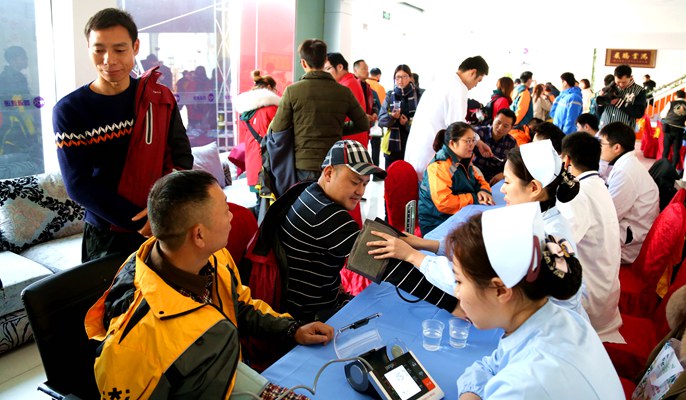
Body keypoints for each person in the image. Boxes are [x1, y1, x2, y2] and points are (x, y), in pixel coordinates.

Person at [85, 170, 334, 399]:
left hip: (223, 373)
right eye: (225, 210)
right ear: (199, 235)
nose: (232, 215)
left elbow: (240, 306)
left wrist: (292, 330)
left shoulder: (212, 258)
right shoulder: (135, 340)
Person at [53, 8, 193, 263]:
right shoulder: (70, 110)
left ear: (135, 47)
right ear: (88, 48)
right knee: (110, 291)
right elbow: (78, 184)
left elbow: (181, 157)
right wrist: (139, 221)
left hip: (162, 222)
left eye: (119, 49)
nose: (109, 60)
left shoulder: (158, 98)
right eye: (99, 50)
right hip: (106, 232)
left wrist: (162, 211)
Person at [454, 203, 623, 399]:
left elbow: (511, 380)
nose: (456, 293)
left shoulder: (526, 385)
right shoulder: (560, 318)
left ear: (500, 290)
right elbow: (492, 365)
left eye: (459, 281)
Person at [280, 140, 459, 322]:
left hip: (306, 299)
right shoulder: (327, 215)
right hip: (311, 317)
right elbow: (390, 267)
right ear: (329, 173)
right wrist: (453, 304)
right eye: (355, 182)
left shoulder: (308, 191)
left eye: (365, 184)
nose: (360, 192)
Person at [500, 139, 589, 320]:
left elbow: (566, 300)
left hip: (554, 326)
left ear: (534, 188)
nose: (502, 189)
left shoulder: (551, 236)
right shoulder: (538, 218)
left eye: (507, 182)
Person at [270, 40, 368, 181]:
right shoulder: (343, 92)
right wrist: (338, 129)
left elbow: (278, 128)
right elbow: (363, 123)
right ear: (325, 60)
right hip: (333, 162)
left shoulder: (292, 91)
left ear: (303, 63)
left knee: (306, 196)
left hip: (303, 164)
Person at [558, 132, 623, 343]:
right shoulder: (597, 185)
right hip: (605, 291)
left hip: (590, 300)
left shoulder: (579, 193)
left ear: (566, 160)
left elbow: (558, 246)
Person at [405, 55, 491, 178]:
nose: (476, 85)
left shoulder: (442, 81)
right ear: (473, 72)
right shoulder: (459, 88)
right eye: (479, 80)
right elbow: (458, 128)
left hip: (416, 151)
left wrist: (478, 141)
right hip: (431, 155)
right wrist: (475, 144)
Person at [599, 122, 659, 264]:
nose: (599, 148)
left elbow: (609, 216)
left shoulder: (625, 172)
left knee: (579, 245)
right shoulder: (626, 164)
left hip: (628, 247)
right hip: (630, 231)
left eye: (601, 144)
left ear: (617, 148)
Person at [418, 122, 493, 235]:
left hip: (458, 214)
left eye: (473, 140)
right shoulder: (439, 167)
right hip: (438, 222)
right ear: (452, 143)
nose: (472, 145)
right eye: (468, 141)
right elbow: (444, 202)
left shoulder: (463, 160)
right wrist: (474, 197)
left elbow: (479, 180)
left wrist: (483, 191)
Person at [233, 70, 280, 193]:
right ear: (269, 87)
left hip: (253, 165)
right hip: (269, 165)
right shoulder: (273, 109)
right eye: (275, 89)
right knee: (273, 201)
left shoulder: (244, 112)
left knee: (259, 200)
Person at [0, 45, 42, 173]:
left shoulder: (10, 76)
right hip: (15, 121)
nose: (26, 60)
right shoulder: (12, 78)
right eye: (23, 57)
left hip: (15, 118)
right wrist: (34, 103)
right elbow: (16, 102)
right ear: (13, 60)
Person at [378, 64, 422, 167]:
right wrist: (392, 117)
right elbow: (381, 120)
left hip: (413, 145)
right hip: (392, 146)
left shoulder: (419, 95)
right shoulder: (390, 95)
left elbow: (423, 122)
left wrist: (406, 124)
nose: (400, 80)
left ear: (410, 78)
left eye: (404, 77)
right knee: (391, 175)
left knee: (410, 175)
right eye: (397, 77)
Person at [325, 52, 371, 148]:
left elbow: (340, 117)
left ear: (340, 67)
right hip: (352, 142)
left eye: (328, 69)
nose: (326, 73)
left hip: (350, 143)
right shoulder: (349, 82)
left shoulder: (346, 86)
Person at [472, 108, 518, 185]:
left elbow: (515, 164)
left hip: (494, 180)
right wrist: (478, 142)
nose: (500, 128)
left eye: (505, 126)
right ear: (494, 119)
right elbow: (459, 133)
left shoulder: (511, 143)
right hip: (473, 174)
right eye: (498, 122)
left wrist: (503, 174)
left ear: (511, 128)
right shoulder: (478, 132)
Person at [598, 64, 647, 130]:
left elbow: (639, 113)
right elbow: (598, 112)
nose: (621, 84)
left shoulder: (639, 91)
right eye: (618, 82)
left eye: (624, 82)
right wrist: (600, 102)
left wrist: (619, 102)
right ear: (614, 77)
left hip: (624, 131)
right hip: (605, 128)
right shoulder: (608, 88)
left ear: (631, 77)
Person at [659, 89, 686, 168]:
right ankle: (673, 168)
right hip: (680, 129)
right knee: (676, 150)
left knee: (666, 149)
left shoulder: (671, 103)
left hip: (669, 128)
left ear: (676, 96)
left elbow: (662, 115)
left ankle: (663, 166)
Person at [366, 67, 386, 168]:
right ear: (379, 76)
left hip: (364, 122)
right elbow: (383, 106)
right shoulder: (380, 87)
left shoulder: (364, 84)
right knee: (375, 147)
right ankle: (375, 171)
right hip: (375, 122)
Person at [509, 71, 535, 146]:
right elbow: (521, 110)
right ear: (529, 80)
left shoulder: (516, 90)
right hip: (521, 126)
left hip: (514, 124)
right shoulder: (525, 92)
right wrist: (514, 123)